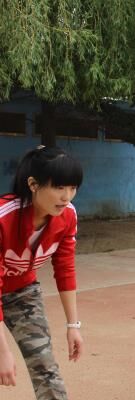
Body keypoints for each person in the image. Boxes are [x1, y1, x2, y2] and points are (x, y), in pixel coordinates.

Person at [0, 146, 84, 399]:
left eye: (73, 188)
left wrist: (73, 325)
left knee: (45, 367)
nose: (67, 196)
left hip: (22, 292)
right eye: (59, 187)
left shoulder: (68, 215)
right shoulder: (4, 218)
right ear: (33, 184)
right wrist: (2, 352)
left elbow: (65, 267)